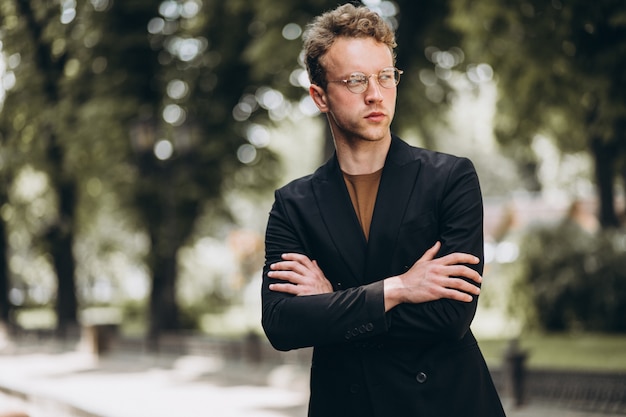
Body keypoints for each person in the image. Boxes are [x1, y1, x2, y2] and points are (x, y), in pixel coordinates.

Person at [261, 4, 506, 417]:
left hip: (444, 403)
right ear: (319, 96)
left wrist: (333, 301)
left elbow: (450, 315)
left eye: (385, 76)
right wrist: (399, 289)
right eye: (356, 80)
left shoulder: (450, 178)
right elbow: (283, 325)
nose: (375, 94)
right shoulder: (294, 204)